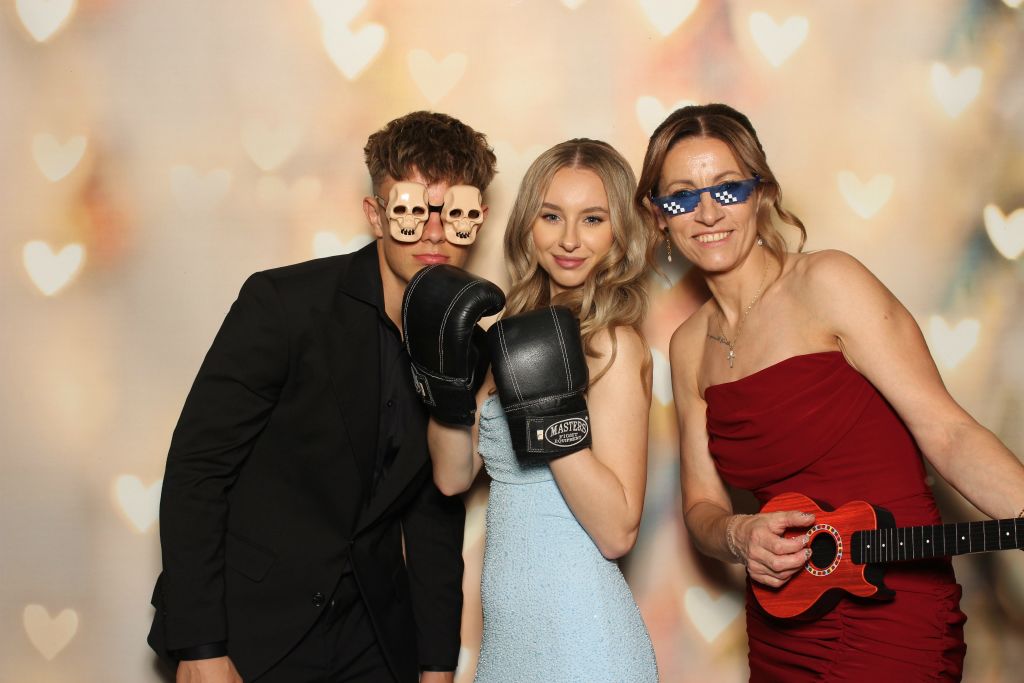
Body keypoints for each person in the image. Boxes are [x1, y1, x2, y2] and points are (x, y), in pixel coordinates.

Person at [637, 103, 1024, 681]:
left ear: (762, 193)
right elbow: (701, 508)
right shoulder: (688, 345)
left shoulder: (829, 282)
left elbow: (949, 432)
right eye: (682, 197)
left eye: (727, 187)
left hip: (892, 603)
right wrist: (738, 534)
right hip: (783, 619)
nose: (708, 212)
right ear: (658, 218)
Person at [147, 111, 497, 683]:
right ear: (375, 214)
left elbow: (434, 513)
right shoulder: (284, 305)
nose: (434, 233)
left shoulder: (467, 346)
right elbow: (197, 471)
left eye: (454, 213)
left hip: (373, 639)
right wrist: (202, 645)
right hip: (250, 627)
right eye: (412, 209)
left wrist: (437, 664)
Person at [403, 139, 660, 682]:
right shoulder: (509, 336)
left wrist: (545, 410)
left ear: (619, 232)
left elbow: (617, 531)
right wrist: (442, 380)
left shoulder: (612, 345)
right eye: (551, 216)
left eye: (593, 219)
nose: (569, 239)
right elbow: (452, 477)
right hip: (509, 641)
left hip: (583, 638)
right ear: (528, 224)